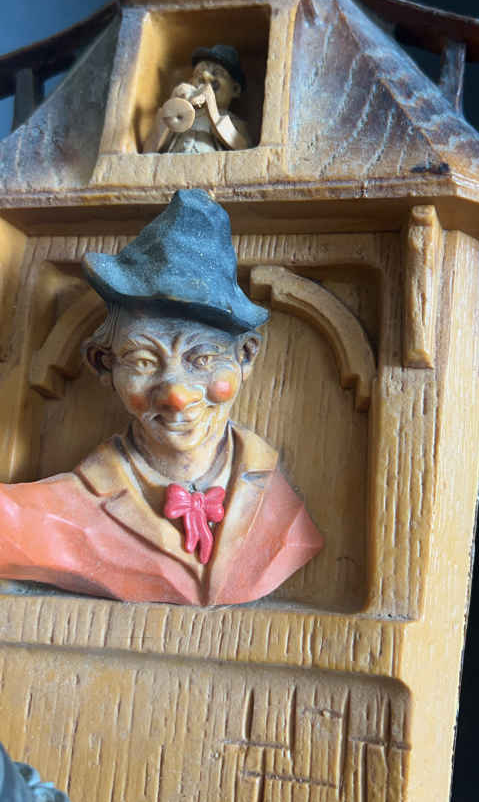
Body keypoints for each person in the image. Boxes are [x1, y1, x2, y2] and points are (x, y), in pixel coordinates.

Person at [0, 190, 323, 606]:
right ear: (103, 364)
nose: (176, 395)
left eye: (202, 359)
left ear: (245, 357)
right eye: (144, 361)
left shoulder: (283, 511)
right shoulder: (42, 516)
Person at [143, 45, 251, 154]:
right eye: (199, 73)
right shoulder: (181, 118)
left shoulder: (233, 122)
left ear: (235, 89)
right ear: (191, 83)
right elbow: (148, 152)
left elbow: (243, 150)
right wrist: (171, 108)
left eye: (217, 73)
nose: (205, 75)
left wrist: (212, 107)